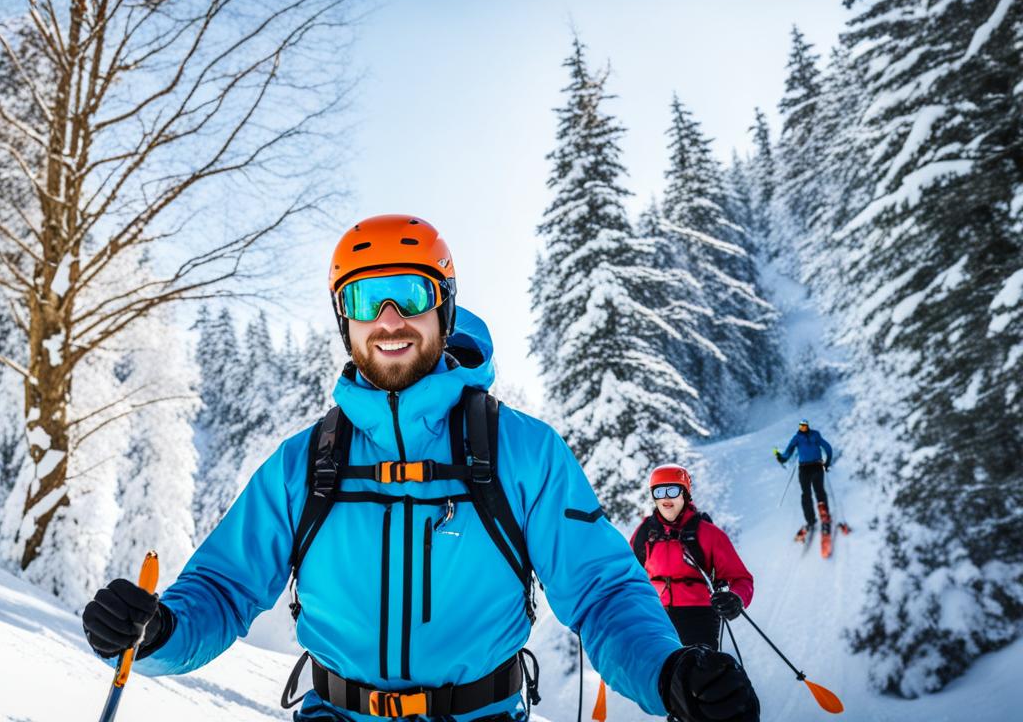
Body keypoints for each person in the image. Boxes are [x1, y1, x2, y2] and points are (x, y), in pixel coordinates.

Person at [81, 216, 759, 722]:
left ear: (445, 306)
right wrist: (155, 634)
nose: (388, 319)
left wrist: (667, 670)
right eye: (362, 300)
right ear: (341, 321)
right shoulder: (305, 463)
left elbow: (602, 590)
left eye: (408, 292)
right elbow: (225, 587)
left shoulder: (521, 452)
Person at [630, 465, 754, 652]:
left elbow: (741, 578)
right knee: (657, 677)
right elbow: (627, 574)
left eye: (672, 490)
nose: (665, 497)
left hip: (699, 617)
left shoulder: (708, 534)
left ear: (685, 494)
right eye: (659, 491)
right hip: (655, 616)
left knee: (698, 676)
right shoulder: (645, 533)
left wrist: (736, 598)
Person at [775, 418, 835, 542]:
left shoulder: (815, 435)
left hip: (817, 465)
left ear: (808, 426)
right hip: (804, 469)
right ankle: (810, 520)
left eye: (804, 426)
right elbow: (788, 452)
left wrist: (827, 463)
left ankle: (824, 514)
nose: (803, 428)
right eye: (801, 426)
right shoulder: (796, 438)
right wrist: (781, 458)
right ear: (799, 427)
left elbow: (827, 448)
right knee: (805, 494)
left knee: (819, 490)